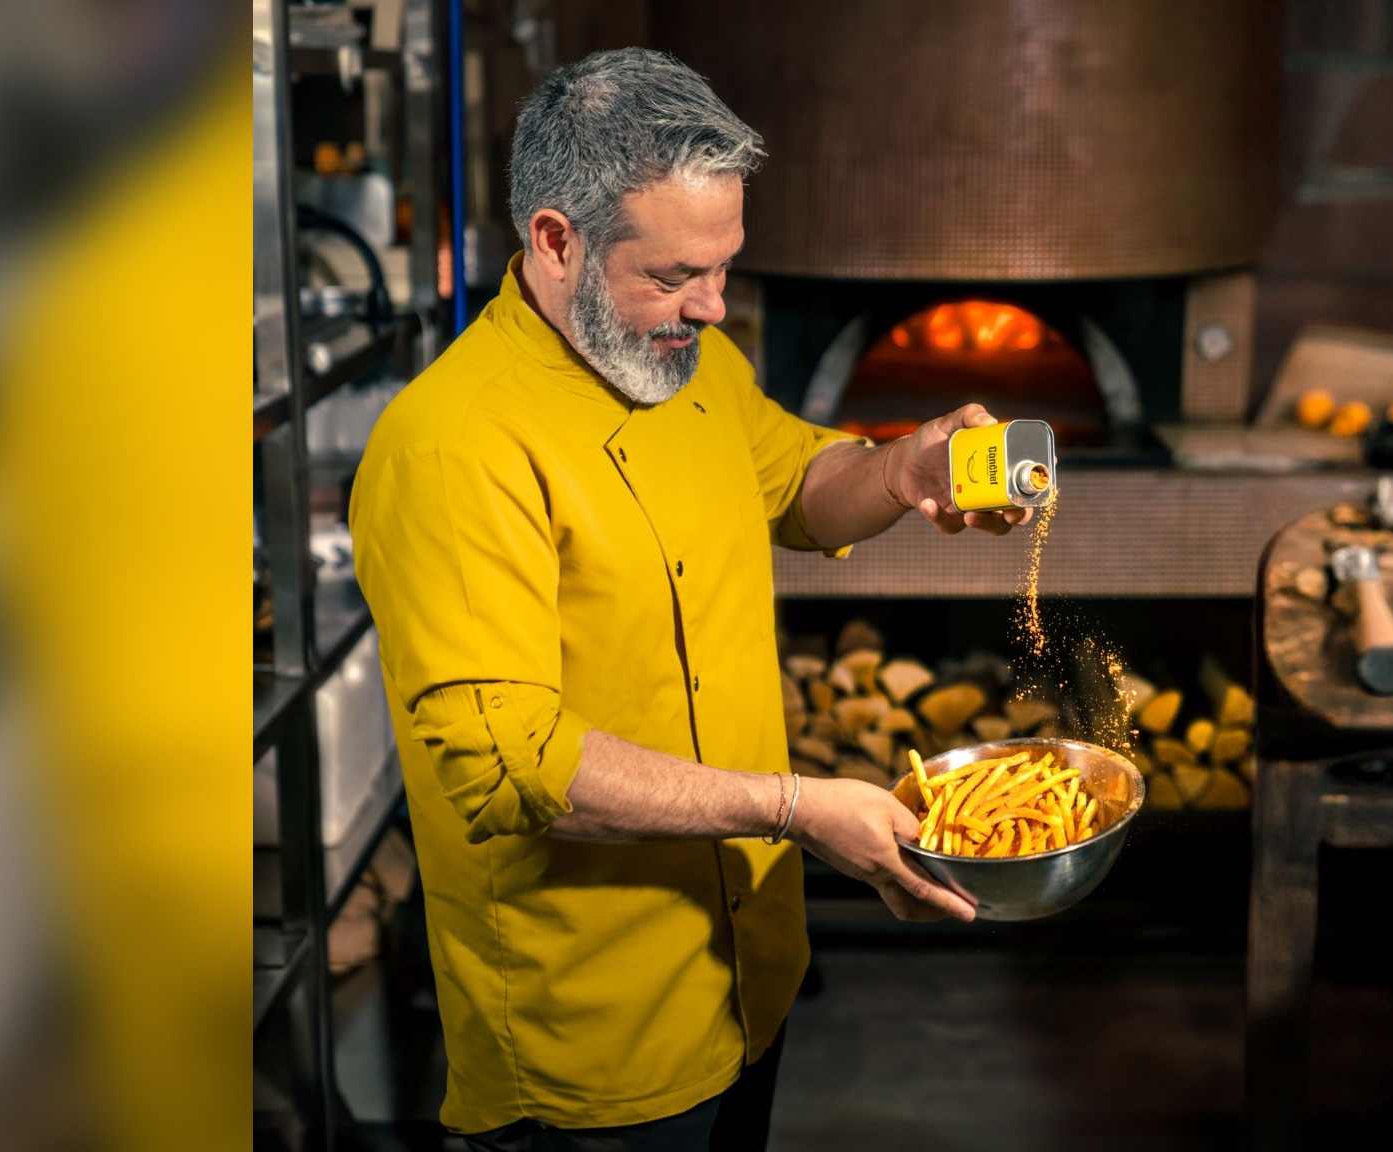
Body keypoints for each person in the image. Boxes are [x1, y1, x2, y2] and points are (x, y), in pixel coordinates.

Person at [349, 47, 1030, 1151]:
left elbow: (801, 481)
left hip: (742, 975)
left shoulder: (687, 364)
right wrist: (797, 808)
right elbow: (512, 761)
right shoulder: (452, 447)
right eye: (673, 276)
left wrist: (906, 470)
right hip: (593, 1039)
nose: (711, 307)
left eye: (723, 266)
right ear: (555, 241)